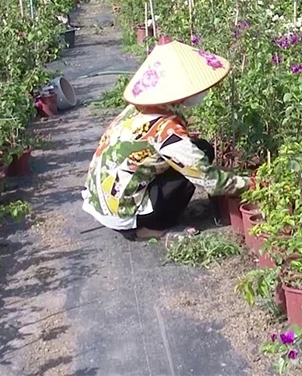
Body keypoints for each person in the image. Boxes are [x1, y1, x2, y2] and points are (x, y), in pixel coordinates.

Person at [81, 40, 251, 240]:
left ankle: (142, 216)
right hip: (121, 211)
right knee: (189, 173)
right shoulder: (165, 129)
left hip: (101, 199)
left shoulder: (138, 109)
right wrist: (251, 184)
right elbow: (208, 179)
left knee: (200, 148)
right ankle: (150, 228)